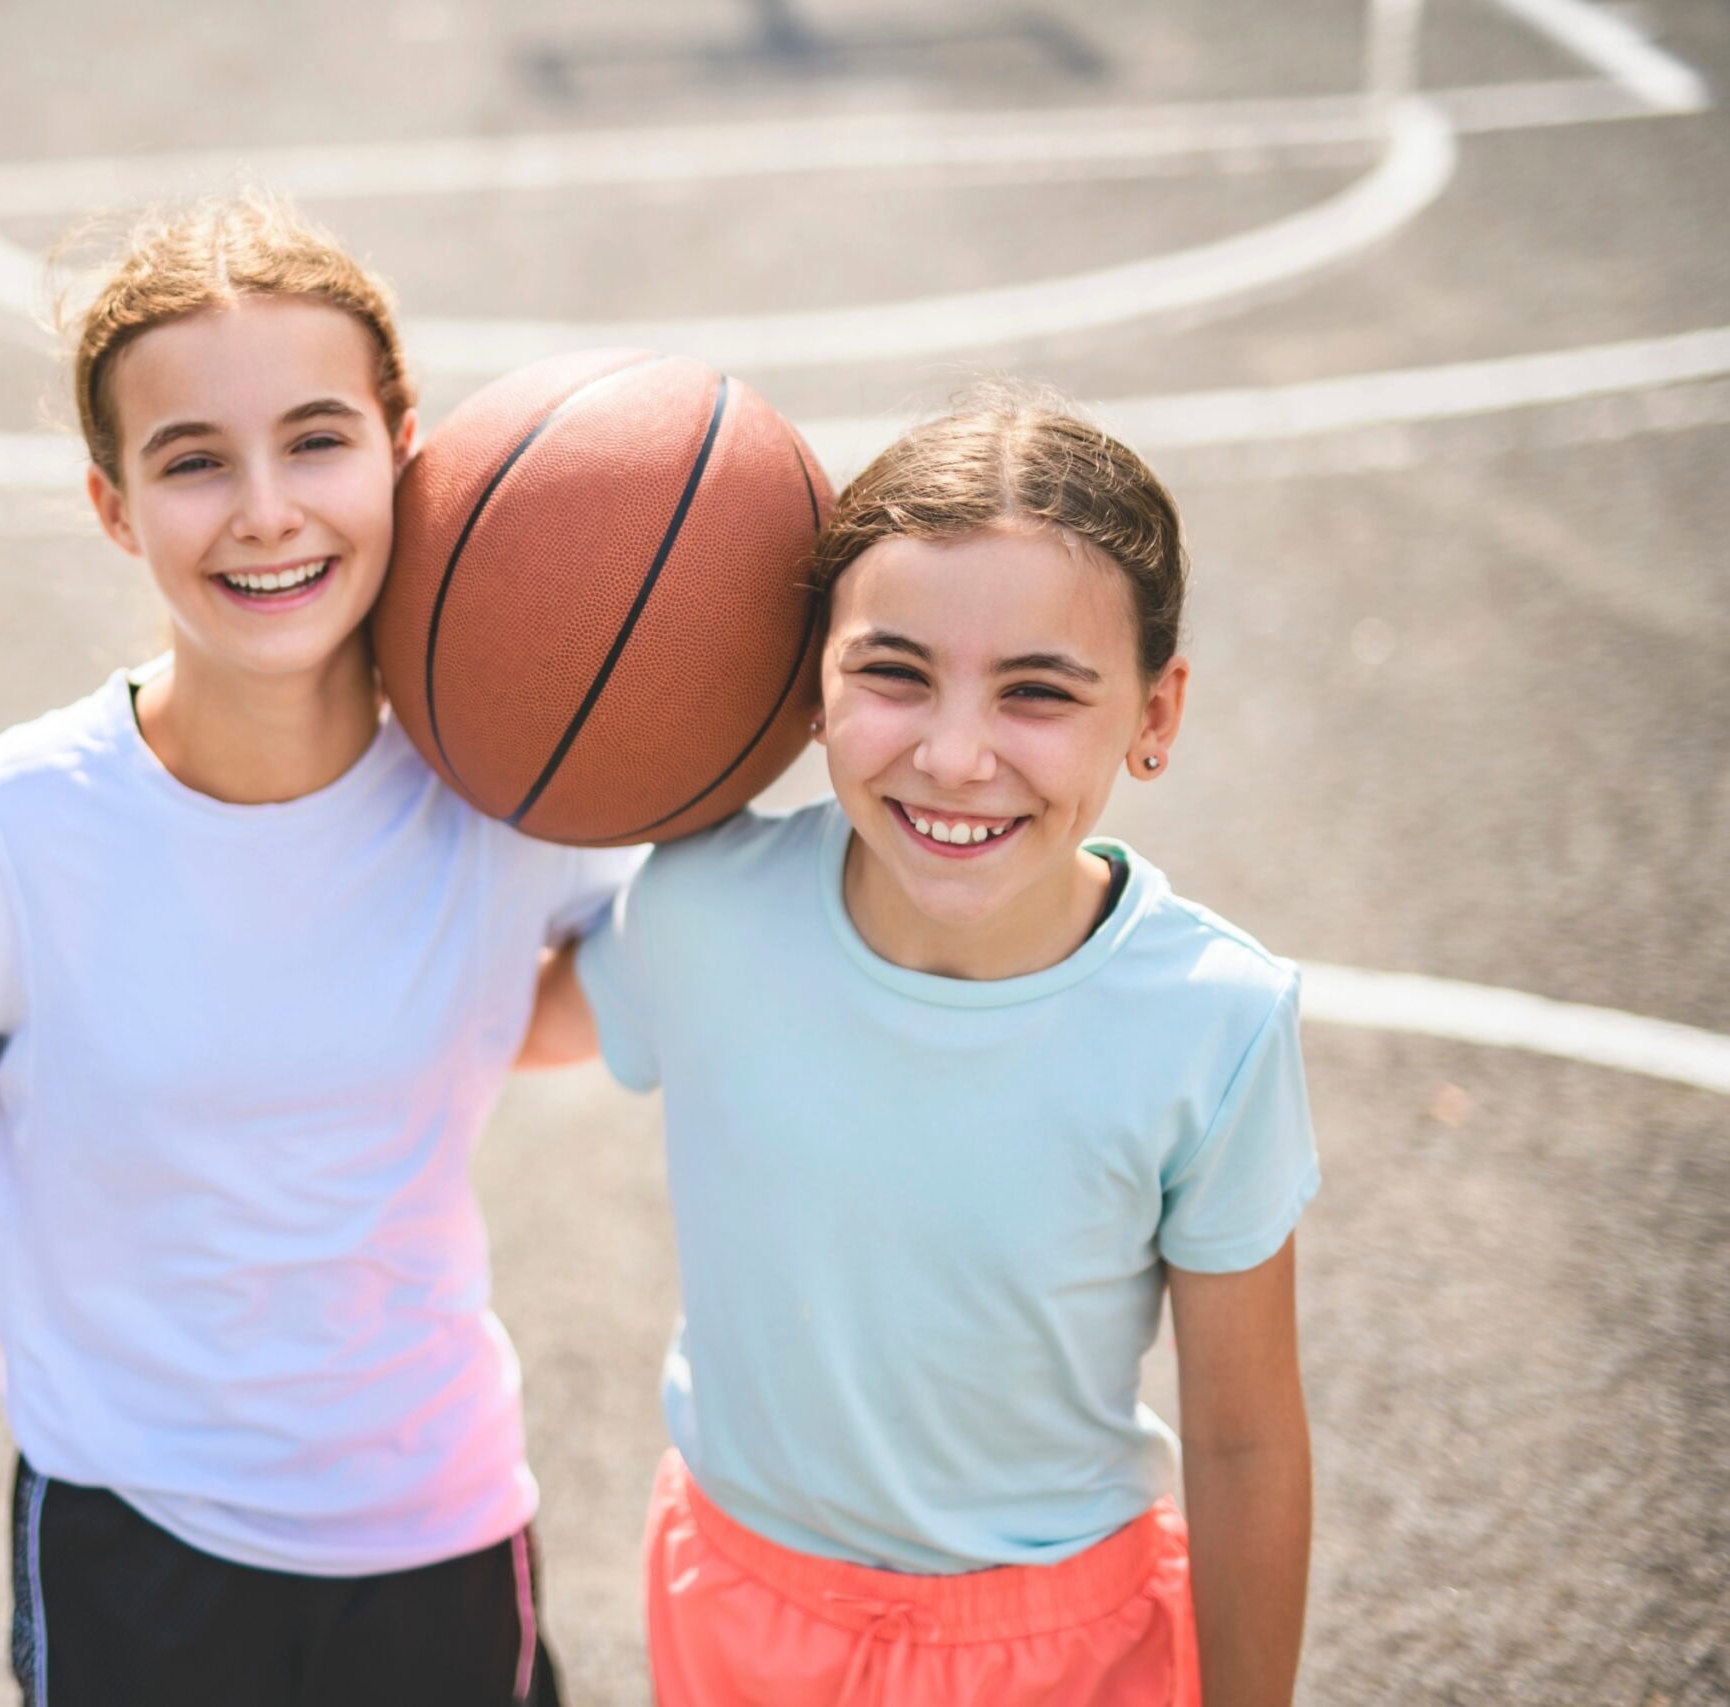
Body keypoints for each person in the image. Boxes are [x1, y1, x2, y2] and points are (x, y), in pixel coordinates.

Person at [0, 195, 624, 1707]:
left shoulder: (514, 794)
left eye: (318, 440)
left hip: (440, 1520)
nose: (265, 509)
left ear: (402, 445)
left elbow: (584, 1002)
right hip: (135, 1540)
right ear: (116, 504)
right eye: (194, 462)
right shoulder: (1, 836)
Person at [529, 398, 1319, 1705]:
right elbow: (479, 1021)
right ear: (813, 682)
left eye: (1039, 692)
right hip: (742, 1606)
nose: (956, 756)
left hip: (1063, 1645)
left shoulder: (1212, 1022)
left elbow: (1242, 1441)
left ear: (1155, 710)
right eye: (894, 673)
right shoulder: (706, 909)